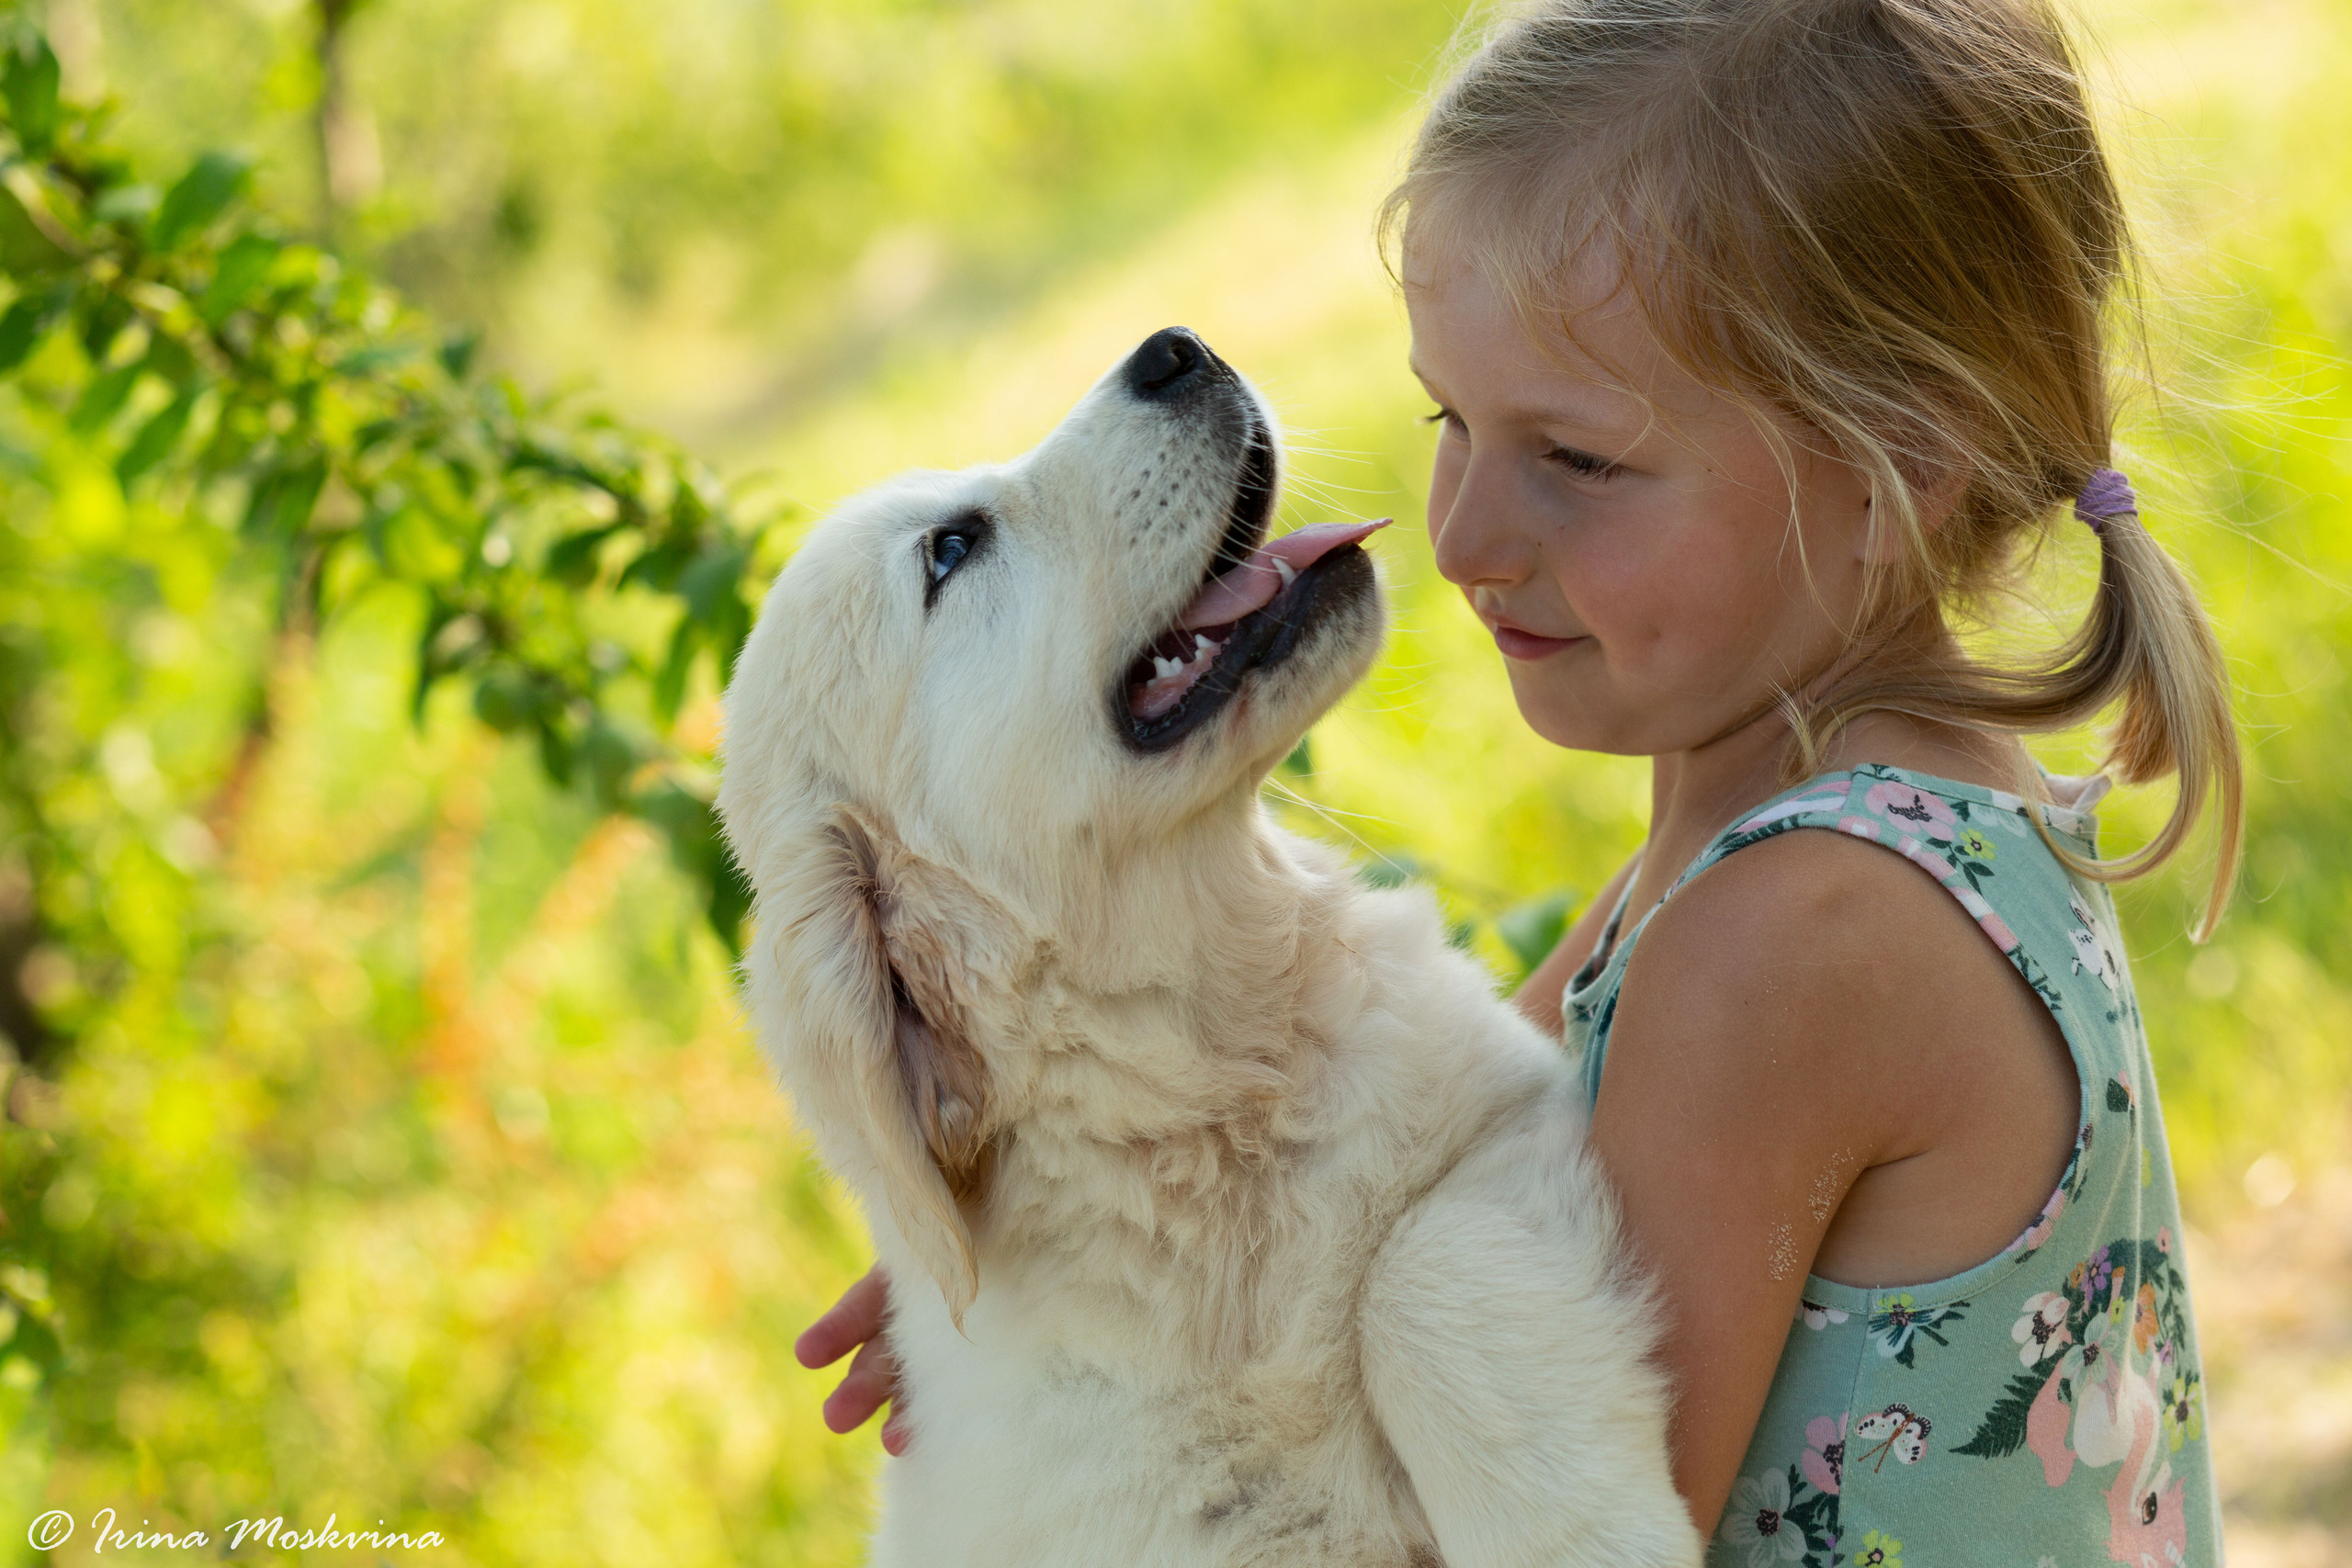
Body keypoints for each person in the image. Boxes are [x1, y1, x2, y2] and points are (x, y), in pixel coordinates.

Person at [794, 2, 2242, 1562]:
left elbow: (1508, 1519)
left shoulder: (1801, 935)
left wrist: (1123, 1436)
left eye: (1579, 460)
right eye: (1451, 420)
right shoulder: (1797, 820)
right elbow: (1441, 1134)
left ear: (1899, 462)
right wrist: (1080, 1309)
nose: (1467, 536)